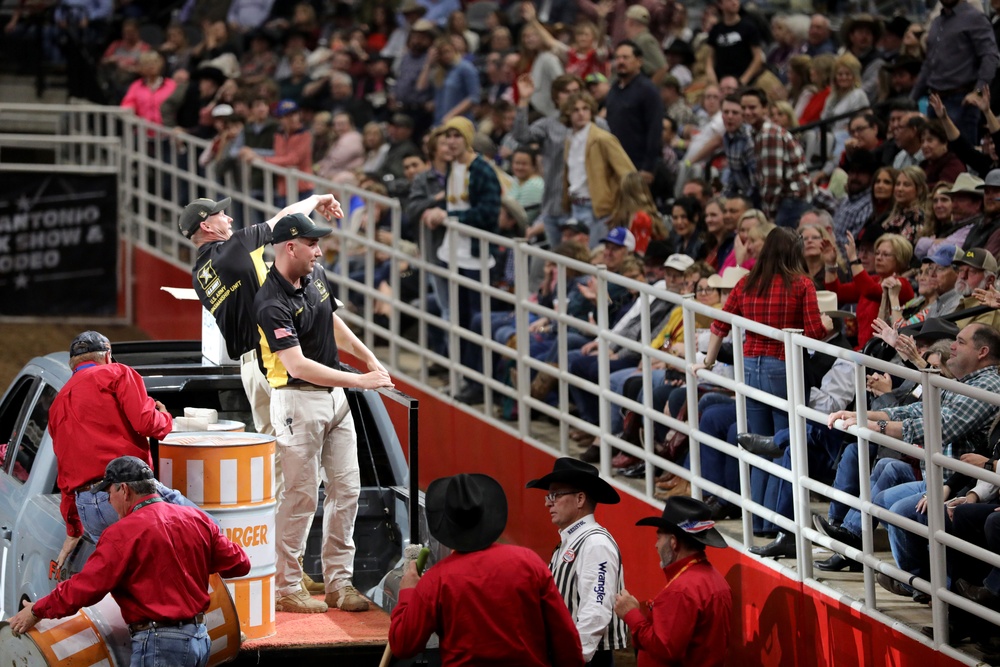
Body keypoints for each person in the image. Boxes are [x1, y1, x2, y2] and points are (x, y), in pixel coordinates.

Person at [254, 213, 394, 614]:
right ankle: (285, 586)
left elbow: (331, 319)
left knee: (347, 490)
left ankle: (339, 583)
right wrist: (360, 382)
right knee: (300, 498)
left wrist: (367, 357)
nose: (319, 251)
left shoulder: (315, 276)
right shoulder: (269, 302)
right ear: (290, 247)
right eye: (313, 244)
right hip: (297, 402)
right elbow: (296, 365)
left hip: (333, 399)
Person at [7, 456, 251, 667]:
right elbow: (240, 563)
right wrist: (188, 559)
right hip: (200, 639)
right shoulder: (196, 519)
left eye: (109, 493)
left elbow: (85, 588)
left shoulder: (122, 534)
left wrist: (37, 611)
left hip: (159, 645)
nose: (109, 502)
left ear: (124, 490)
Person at [183, 193, 342, 437]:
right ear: (206, 226)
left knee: (271, 449)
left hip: (248, 370)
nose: (229, 218)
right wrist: (317, 199)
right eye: (221, 215)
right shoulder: (237, 246)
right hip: (273, 358)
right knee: (298, 446)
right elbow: (284, 219)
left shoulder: (198, 275)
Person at [389, 473, 584, 666]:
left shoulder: (435, 581)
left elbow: (404, 645)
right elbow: (565, 638)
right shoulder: (529, 562)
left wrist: (408, 592)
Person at [49, 331, 199, 568]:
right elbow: (147, 424)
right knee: (209, 530)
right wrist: (164, 417)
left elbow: (65, 468)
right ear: (108, 356)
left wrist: (73, 528)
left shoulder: (57, 404)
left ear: (73, 365)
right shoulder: (118, 372)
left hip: (87, 507)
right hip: (125, 494)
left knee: (129, 577)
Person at [526, 458, 629, 666]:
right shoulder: (572, 541)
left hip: (584, 657)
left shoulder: (595, 543)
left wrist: (574, 657)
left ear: (580, 499)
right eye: (548, 496)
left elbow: (596, 609)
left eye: (555, 495)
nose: (548, 502)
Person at [613, 496, 732, 666]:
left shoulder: (681, 589)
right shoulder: (716, 580)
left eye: (659, 538)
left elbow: (664, 648)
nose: (656, 546)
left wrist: (631, 614)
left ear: (674, 542)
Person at [913, 0, 999, 146]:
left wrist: (978, 92)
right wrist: (912, 98)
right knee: (934, 156)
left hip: (961, 101)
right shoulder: (937, 22)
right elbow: (929, 64)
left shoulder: (975, 18)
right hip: (935, 101)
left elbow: (990, 56)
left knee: (963, 157)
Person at [605, 41, 663, 186]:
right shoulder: (614, 89)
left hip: (637, 165)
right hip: (614, 162)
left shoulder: (648, 90)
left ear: (639, 61)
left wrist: (648, 167)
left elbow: (655, 129)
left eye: (625, 57)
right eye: (617, 58)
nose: (620, 61)